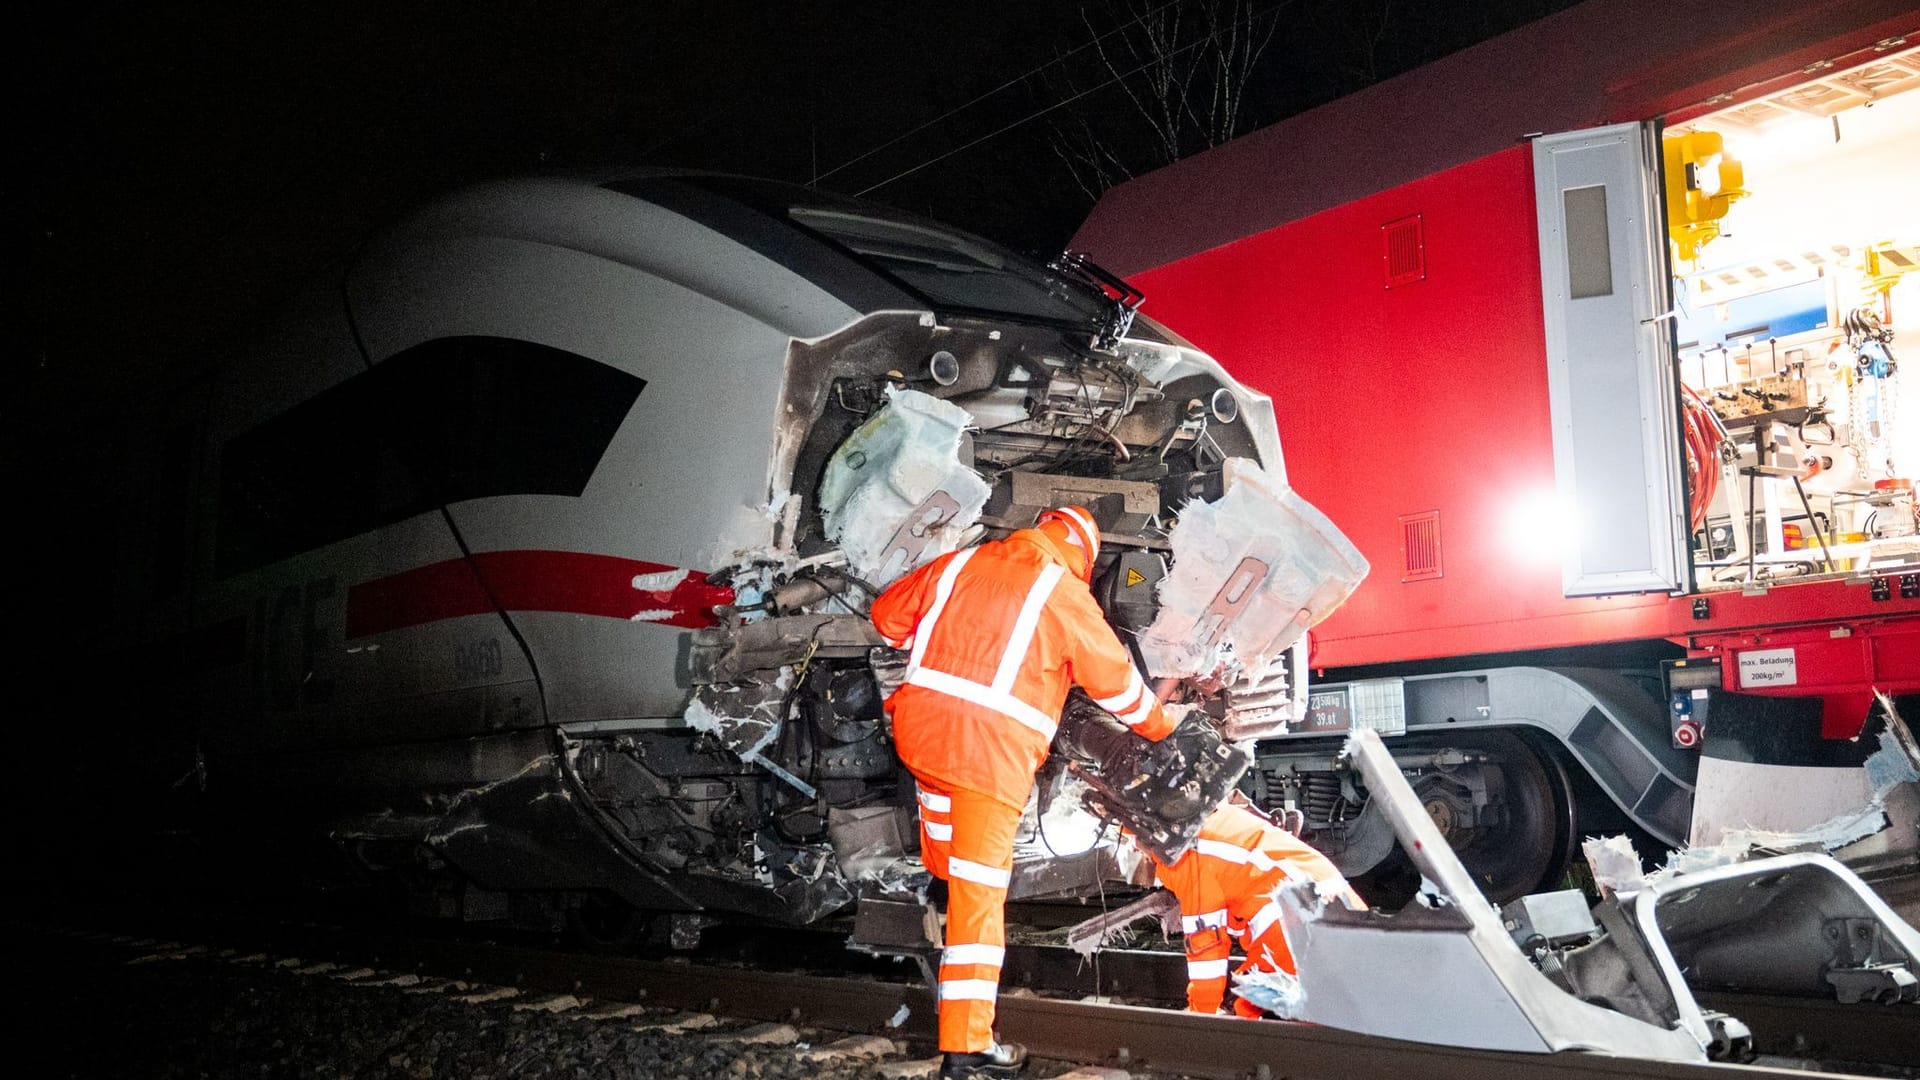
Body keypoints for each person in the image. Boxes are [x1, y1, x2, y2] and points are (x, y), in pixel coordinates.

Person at [871, 505, 1180, 1079]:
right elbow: (1117, 687)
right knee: (978, 899)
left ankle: (941, 881)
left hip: (921, 740)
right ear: (1082, 557)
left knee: (947, 847)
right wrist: (1165, 731)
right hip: (987, 761)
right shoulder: (1062, 593)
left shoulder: (959, 563)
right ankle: (965, 1049)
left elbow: (886, 619)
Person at [1146, 797, 1366, 1017]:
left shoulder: (1189, 857)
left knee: (1250, 1017)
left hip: (1302, 931)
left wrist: (1200, 1016)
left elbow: (1205, 947)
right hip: (1346, 918)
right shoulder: (1222, 820)